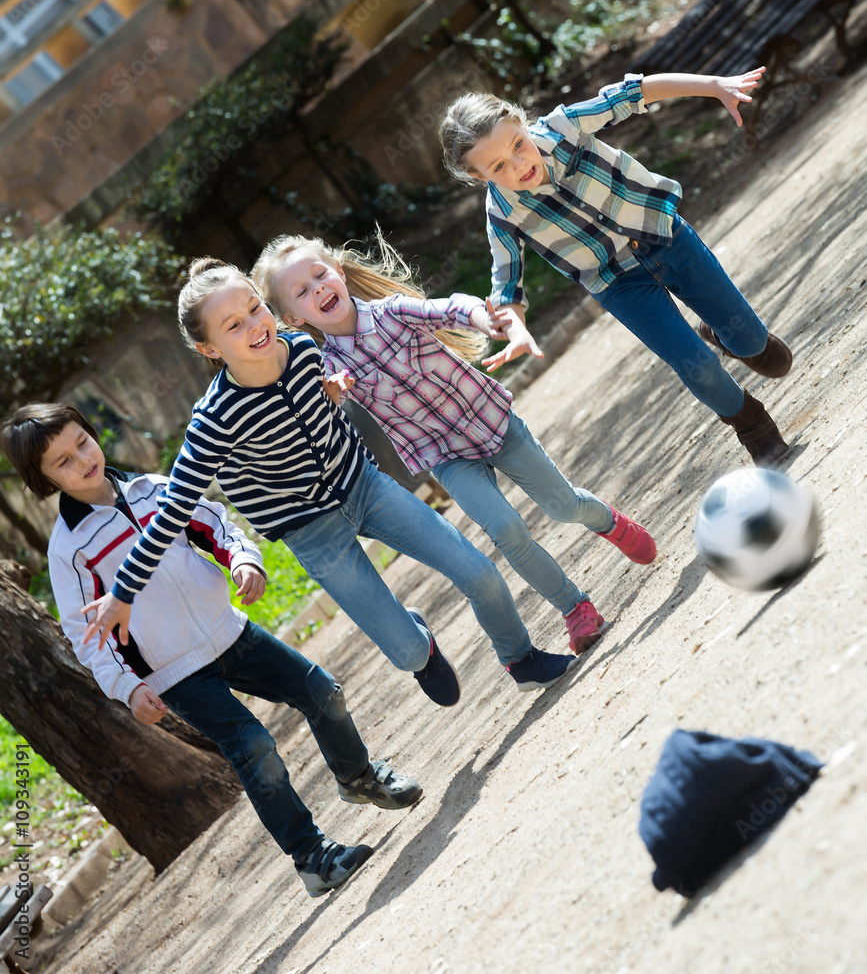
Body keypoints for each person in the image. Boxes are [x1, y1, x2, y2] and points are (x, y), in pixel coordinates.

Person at [77, 259, 581, 699]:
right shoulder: (214, 420)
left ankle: (521, 658)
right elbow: (171, 514)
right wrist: (123, 594)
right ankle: (418, 642)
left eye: (255, 308)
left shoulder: (301, 348)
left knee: (481, 575)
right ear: (209, 349)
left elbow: (319, 398)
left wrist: (332, 394)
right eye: (233, 325)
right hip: (308, 530)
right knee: (406, 654)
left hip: (364, 485)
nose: (255, 325)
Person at [0, 403, 427, 897]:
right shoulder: (68, 550)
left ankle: (358, 777)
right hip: (174, 672)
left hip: (231, 632)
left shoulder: (155, 490)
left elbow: (216, 525)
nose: (81, 459)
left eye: (81, 442)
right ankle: (311, 856)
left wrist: (244, 560)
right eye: (62, 461)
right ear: (44, 479)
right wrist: (127, 687)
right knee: (254, 748)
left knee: (322, 692)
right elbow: (85, 635)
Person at [251, 231, 656, 655]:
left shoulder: (392, 311)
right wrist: (332, 396)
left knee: (563, 506)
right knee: (507, 531)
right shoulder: (328, 366)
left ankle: (608, 522)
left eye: (320, 276)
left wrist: (487, 320)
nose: (318, 289)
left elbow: (446, 309)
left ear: (339, 273)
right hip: (446, 459)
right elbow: (324, 414)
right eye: (301, 291)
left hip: (493, 423)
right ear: (293, 318)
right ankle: (575, 608)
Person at [438, 67, 793, 467]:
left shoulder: (565, 126)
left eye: (518, 145)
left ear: (521, 121)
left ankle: (726, 334)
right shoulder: (502, 214)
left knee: (763, 352)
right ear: (477, 176)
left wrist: (713, 87)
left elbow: (632, 93)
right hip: (619, 284)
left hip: (664, 237)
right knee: (698, 367)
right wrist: (516, 328)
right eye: (498, 167)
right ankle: (755, 430)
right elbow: (507, 284)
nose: (518, 166)